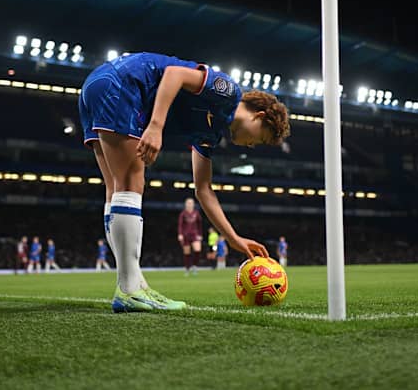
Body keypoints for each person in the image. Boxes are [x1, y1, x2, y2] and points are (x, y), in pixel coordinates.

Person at [78, 51, 290, 313]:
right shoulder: (228, 92)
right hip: (123, 83)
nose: (252, 144)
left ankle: (133, 284)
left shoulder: (210, 133)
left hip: (97, 86)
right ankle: (130, 289)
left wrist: (233, 238)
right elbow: (174, 74)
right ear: (259, 116)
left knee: (115, 189)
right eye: (261, 139)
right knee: (131, 183)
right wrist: (155, 126)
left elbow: (203, 190)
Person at [178, 197, 203, 276]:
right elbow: (180, 225)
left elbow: (200, 224)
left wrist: (200, 234)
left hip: (194, 234)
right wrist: (180, 234)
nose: (189, 204)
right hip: (185, 235)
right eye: (188, 203)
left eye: (191, 203)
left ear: (193, 204)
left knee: (197, 250)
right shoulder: (183, 214)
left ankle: (195, 266)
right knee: (187, 253)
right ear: (185, 204)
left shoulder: (196, 213)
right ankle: (187, 268)